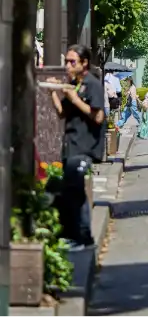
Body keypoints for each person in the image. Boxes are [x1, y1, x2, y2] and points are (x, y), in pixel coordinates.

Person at [50, 45, 105, 250]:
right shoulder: (74, 83)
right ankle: (74, 235)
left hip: (86, 146)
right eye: (66, 61)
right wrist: (55, 93)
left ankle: (83, 237)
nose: (68, 65)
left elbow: (98, 116)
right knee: (70, 190)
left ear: (84, 63)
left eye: (72, 62)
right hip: (71, 145)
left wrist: (75, 98)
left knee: (76, 191)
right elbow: (62, 112)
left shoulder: (92, 84)